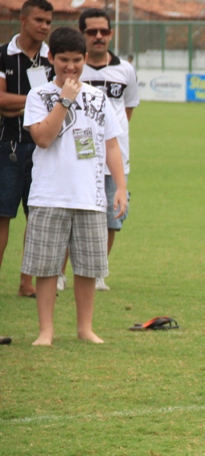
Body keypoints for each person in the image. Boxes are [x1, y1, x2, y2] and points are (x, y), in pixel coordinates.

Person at [22, 26, 127, 345]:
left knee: (88, 267)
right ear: (50, 57)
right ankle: (46, 331)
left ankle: (85, 328)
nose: (70, 67)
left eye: (77, 60)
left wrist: (120, 187)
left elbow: (111, 145)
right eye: (63, 60)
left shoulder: (98, 97)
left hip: (91, 196)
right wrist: (64, 101)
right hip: (49, 195)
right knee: (47, 266)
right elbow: (42, 138)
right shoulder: (38, 95)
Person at [74, 8, 139, 292]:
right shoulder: (74, 68)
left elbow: (127, 111)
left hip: (115, 158)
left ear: (111, 34)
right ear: (82, 34)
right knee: (75, 214)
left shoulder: (125, 70)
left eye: (104, 31)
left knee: (112, 219)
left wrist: (112, 138)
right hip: (79, 156)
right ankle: (63, 273)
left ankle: (98, 271)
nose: (98, 37)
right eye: (91, 32)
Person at [0, 0, 53, 298]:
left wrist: (16, 103)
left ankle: (26, 282)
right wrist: (36, 102)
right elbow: (0, 101)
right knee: (2, 216)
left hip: (45, 150)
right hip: (7, 147)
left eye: (48, 21)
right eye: (39, 20)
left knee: (38, 217)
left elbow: (60, 101)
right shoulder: (2, 55)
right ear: (22, 20)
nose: (44, 26)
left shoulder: (54, 58)